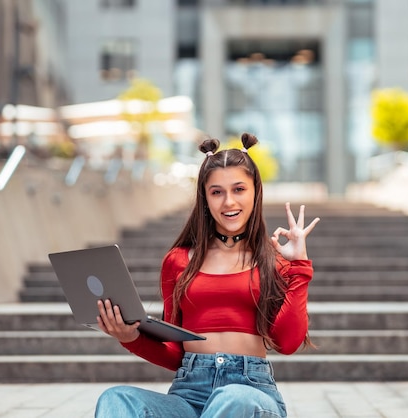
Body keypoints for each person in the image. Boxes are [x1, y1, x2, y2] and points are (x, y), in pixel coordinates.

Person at [94, 133, 320, 418]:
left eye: (239, 189)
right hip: (188, 394)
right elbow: (176, 354)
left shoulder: (274, 260)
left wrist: (299, 266)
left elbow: (287, 344)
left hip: (251, 392)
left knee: (232, 398)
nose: (228, 202)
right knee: (117, 399)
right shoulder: (178, 261)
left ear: (255, 192)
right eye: (217, 192)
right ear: (205, 197)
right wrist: (130, 337)